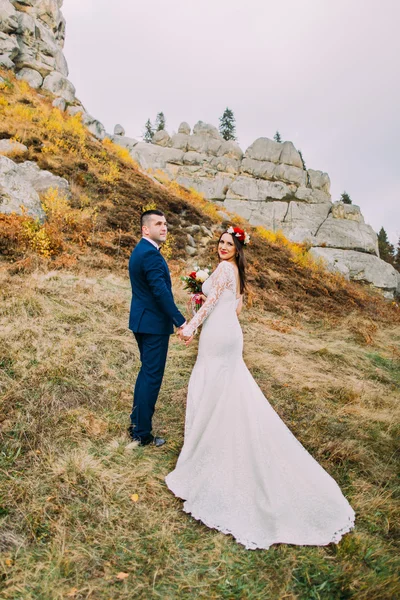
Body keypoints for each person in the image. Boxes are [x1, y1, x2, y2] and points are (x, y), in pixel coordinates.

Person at [166, 226, 355, 550]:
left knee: (213, 388)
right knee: (227, 392)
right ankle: (216, 441)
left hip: (217, 336)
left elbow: (211, 303)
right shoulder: (237, 273)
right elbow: (234, 306)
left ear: (237, 248)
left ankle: (207, 454)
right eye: (221, 243)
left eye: (229, 243)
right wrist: (204, 306)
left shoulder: (226, 268)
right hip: (229, 333)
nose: (223, 247)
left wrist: (190, 328)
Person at [128, 210, 186, 447]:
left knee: (146, 374)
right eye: (158, 223)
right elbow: (160, 292)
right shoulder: (150, 254)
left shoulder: (142, 250)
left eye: (165, 223)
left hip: (143, 321)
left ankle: (137, 422)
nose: (164, 227)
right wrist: (181, 321)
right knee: (152, 377)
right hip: (153, 325)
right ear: (145, 229)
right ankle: (142, 434)